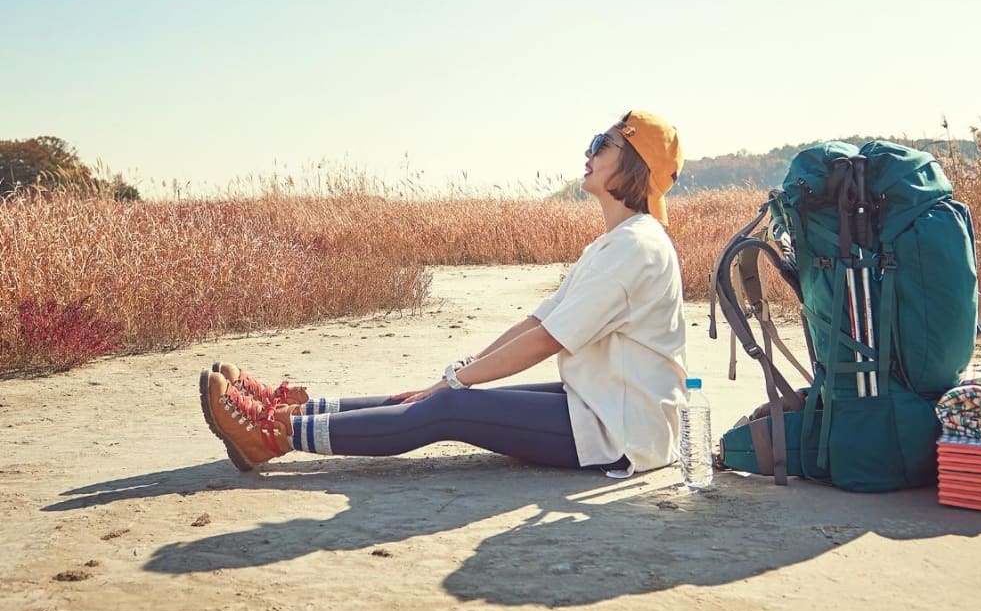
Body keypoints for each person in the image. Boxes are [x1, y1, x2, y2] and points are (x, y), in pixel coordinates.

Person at [199, 110, 688, 477]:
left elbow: (546, 343)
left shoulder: (635, 248)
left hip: (622, 432)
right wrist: (456, 374)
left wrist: (456, 386)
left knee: (448, 410)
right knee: (429, 395)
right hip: (603, 404)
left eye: (601, 144)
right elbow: (536, 324)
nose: (588, 153)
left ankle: (275, 437)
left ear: (633, 167)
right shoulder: (614, 244)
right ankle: (295, 411)